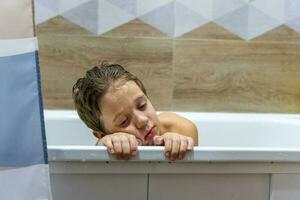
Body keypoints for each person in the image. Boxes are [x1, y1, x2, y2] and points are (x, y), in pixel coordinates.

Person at [72, 62, 198, 161]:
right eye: (124, 121)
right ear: (102, 134)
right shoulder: (107, 143)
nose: (142, 121)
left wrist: (179, 146)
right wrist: (103, 145)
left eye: (142, 105)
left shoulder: (182, 128)